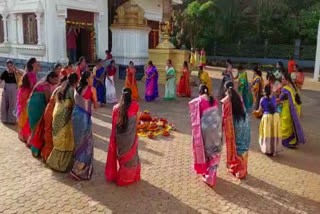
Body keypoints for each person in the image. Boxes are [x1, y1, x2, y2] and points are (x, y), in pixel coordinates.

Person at [105, 88, 141, 186]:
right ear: (131, 95)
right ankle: (129, 178)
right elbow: (137, 120)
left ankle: (122, 177)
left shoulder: (116, 108)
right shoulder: (135, 105)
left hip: (119, 137)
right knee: (131, 157)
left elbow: (114, 124)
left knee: (122, 157)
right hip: (131, 137)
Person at [188, 84, 222, 187]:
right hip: (216, 128)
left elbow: (195, 116)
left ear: (200, 92)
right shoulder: (214, 100)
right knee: (214, 151)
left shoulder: (198, 101)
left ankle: (209, 176)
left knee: (206, 151)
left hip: (205, 129)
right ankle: (212, 173)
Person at [46, 73, 78, 172]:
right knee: (66, 140)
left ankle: (53, 162)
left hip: (56, 115)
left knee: (58, 138)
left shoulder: (60, 88)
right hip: (65, 118)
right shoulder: (72, 90)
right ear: (76, 82)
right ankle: (61, 166)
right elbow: (75, 104)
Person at [70, 71, 99, 180]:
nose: (93, 79)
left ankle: (76, 166)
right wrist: (96, 104)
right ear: (87, 79)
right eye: (91, 77)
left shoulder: (77, 88)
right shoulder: (92, 89)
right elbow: (96, 105)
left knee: (78, 142)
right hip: (84, 119)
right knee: (86, 143)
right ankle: (79, 170)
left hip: (75, 116)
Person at [221, 81, 251, 179]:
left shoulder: (226, 100)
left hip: (235, 125)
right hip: (245, 122)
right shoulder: (238, 96)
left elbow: (224, 116)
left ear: (225, 89)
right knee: (244, 145)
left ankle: (239, 170)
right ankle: (243, 170)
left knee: (237, 146)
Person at [29, 72, 59, 156]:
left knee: (35, 127)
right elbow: (48, 100)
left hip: (32, 106)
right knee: (39, 127)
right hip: (38, 107)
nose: (57, 81)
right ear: (50, 78)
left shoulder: (43, 83)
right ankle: (36, 150)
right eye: (55, 79)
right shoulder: (46, 85)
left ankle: (34, 146)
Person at [279, 73, 305, 148]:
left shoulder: (285, 89)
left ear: (287, 80)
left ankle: (287, 141)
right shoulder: (293, 87)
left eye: (283, 79)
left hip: (287, 109)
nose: (281, 80)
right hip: (293, 109)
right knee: (291, 125)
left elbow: (280, 99)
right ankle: (293, 141)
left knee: (286, 124)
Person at [255, 85, 282, 156]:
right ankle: (274, 150)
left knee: (267, 134)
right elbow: (274, 106)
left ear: (264, 91)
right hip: (276, 117)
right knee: (274, 133)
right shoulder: (273, 98)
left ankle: (268, 150)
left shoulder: (262, 99)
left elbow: (260, 110)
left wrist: (255, 112)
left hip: (267, 117)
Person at [17, 58, 39, 142]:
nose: (37, 64)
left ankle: (23, 135)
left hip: (23, 94)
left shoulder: (28, 72)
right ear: (33, 64)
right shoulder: (32, 74)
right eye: (36, 63)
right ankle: (27, 136)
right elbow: (31, 86)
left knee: (24, 114)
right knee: (27, 115)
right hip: (27, 95)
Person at [1, 60, 23, 124]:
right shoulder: (5, 72)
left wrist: (17, 69)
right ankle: (4, 119)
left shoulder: (16, 72)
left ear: (13, 65)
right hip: (6, 88)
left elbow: (23, 74)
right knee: (4, 103)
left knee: (13, 104)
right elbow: (1, 80)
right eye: (8, 66)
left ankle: (12, 120)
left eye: (11, 65)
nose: (9, 67)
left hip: (14, 89)